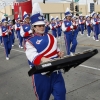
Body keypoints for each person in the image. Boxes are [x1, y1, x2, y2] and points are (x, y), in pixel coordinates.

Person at [25, 3, 66, 100]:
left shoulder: (51, 37)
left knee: (61, 95)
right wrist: (45, 59)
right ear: (34, 27)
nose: (41, 27)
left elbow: (56, 50)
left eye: (42, 25)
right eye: (38, 26)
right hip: (41, 76)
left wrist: (59, 54)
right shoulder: (29, 42)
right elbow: (33, 57)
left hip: (56, 74)